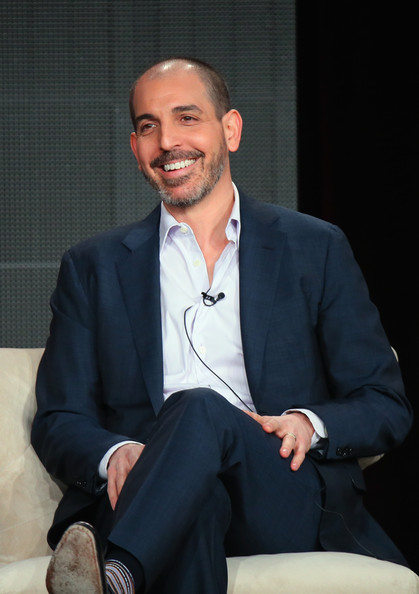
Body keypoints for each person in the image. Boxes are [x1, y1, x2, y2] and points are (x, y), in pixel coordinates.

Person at [31, 57, 413, 594]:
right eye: (147, 127)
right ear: (135, 149)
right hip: (148, 492)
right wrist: (115, 455)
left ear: (229, 130)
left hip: (280, 489)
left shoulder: (315, 248)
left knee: (197, 405)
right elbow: (58, 418)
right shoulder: (93, 267)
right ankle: (126, 573)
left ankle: (116, 571)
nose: (167, 142)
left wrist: (308, 422)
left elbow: (384, 402)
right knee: (195, 498)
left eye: (187, 118)